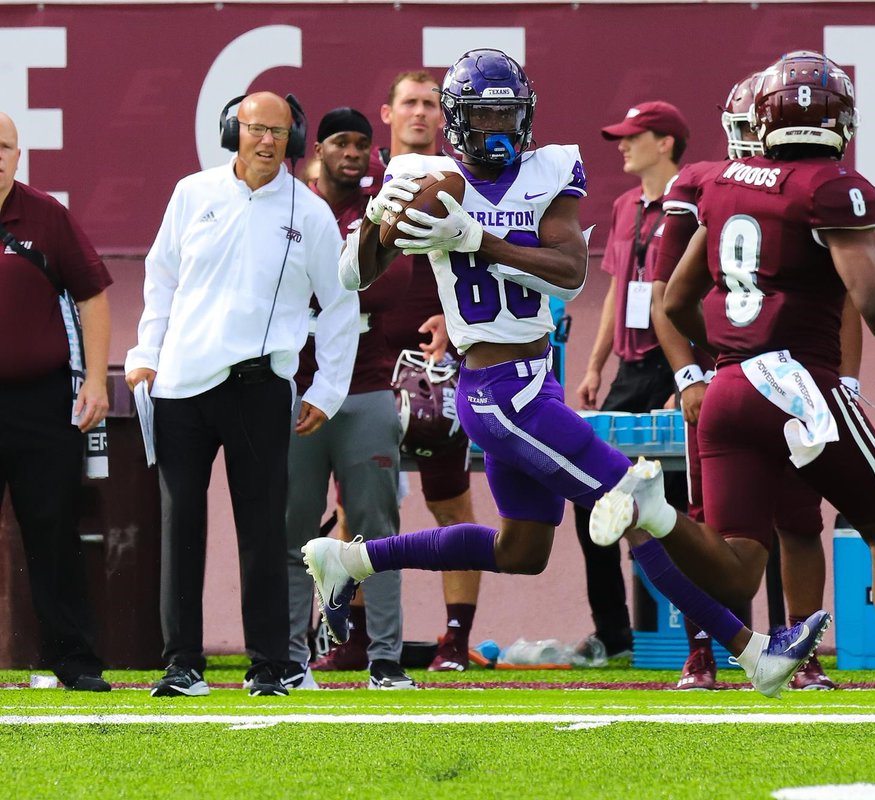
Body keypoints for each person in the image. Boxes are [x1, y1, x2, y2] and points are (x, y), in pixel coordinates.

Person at [304, 48, 827, 700]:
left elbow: (568, 270)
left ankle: (351, 558)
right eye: (483, 114)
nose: (497, 128)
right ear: (457, 120)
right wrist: (381, 219)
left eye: (507, 113)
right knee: (635, 511)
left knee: (523, 551)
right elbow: (354, 276)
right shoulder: (423, 174)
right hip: (497, 392)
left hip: (533, 382)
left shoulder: (547, 169)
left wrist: (477, 239)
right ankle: (752, 653)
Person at [600, 50, 875, 752]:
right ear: (839, 120)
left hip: (729, 384)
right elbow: (870, 298)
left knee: (739, 562)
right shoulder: (833, 186)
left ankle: (655, 513)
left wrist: (726, 354)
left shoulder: (721, 184)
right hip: (801, 386)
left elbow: (677, 301)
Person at [125, 92, 358, 697]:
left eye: (278, 132)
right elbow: (161, 279)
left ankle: (270, 666)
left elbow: (339, 305)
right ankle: (183, 664)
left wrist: (328, 389)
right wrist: (146, 355)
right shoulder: (191, 193)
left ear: (293, 139)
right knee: (181, 526)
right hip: (180, 385)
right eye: (255, 129)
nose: (266, 142)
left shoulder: (308, 214)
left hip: (260, 387)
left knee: (263, 530)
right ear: (234, 130)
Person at [649, 73, 861, 692]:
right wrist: (691, 372)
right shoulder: (704, 185)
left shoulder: (808, 189)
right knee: (716, 524)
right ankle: (708, 649)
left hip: (787, 375)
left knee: (799, 519)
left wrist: (845, 378)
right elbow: (668, 297)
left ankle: (804, 651)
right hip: (732, 375)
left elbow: (846, 294)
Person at [283, 107, 414, 690]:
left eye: (363, 143)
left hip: (366, 390)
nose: (355, 152)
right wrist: (346, 281)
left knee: (378, 533)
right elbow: (282, 287)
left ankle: (385, 659)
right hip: (297, 393)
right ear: (317, 150)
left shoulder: (380, 209)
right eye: (341, 141)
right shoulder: (292, 206)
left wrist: (330, 287)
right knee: (291, 531)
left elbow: (395, 285)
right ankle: (289, 658)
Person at [371, 69, 487, 673]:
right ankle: (355, 635)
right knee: (360, 507)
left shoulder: (460, 180)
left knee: (451, 502)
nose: (419, 112)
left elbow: (483, 260)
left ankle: (453, 640)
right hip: (368, 366)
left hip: (439, 362)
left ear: (443, 117)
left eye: (428, 105)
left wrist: (452, 315)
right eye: (407, 102)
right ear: (386, 114)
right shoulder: (362, 179)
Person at [571, 100, 693, 662]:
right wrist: (596, 364)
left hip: (673, 370)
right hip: (628, 370)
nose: (622, 145)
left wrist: (687, 375)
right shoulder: (624, 206)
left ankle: (686, 636)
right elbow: (619, 291)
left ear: (665, 142)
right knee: (590, 496)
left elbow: (695, 296)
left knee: (669, 506)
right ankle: (614, 633)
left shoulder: (692, 202)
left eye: (633, 136)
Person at [0, 111, 112, 692]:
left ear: (19, 156)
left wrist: (95, 379)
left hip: (42, 403)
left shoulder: (46, 216)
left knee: (53, 532)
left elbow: (92, 296)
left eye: (5, 146)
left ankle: (74, 662)